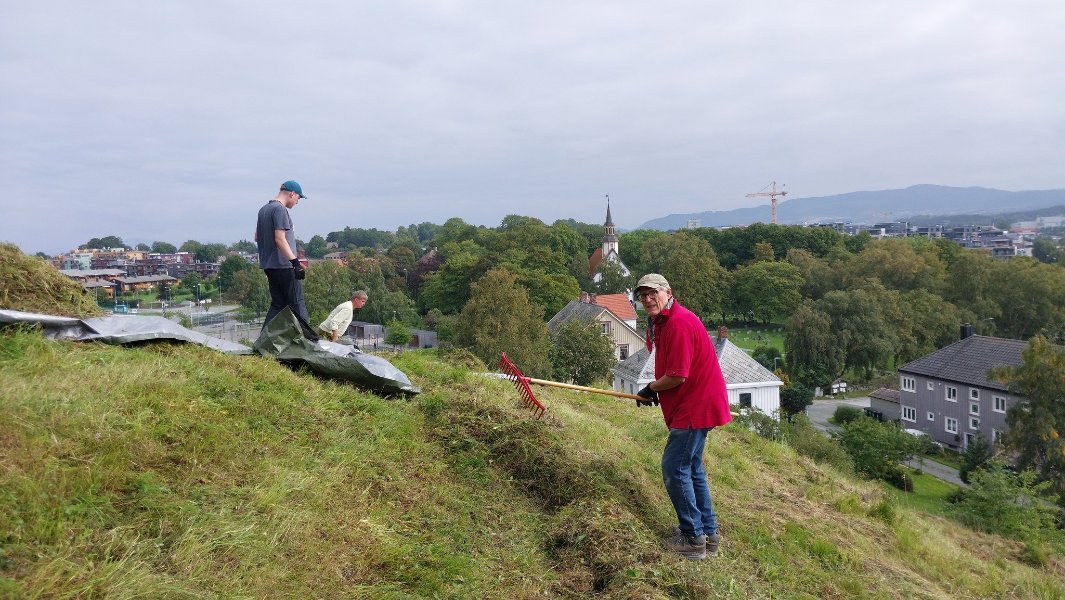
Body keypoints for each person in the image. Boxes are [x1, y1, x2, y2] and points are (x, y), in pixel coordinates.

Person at [633, 273, 732, 560]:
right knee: (692, 467)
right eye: (643, 295)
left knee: (674, 468)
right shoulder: (665, 322)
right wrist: (658, 390)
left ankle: (693, 538)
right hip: (696, 402)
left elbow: (677, 375)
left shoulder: (678, 322)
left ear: (667, 292)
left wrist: (652, 388)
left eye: (653, 293)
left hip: (695, 406)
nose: (647, 299)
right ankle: (709, 534)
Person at [255, 180, 309, 330]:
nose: (297, 202)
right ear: (292, 193)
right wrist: (295, 263)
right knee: (297, 303)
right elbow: (279, 238)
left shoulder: (263, 210)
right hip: (285, 266)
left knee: (278, 305)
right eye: (298, 197)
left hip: (269, 266)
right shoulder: (280, 209)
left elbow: (257, 237)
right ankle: (308, 338)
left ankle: (263, 338)